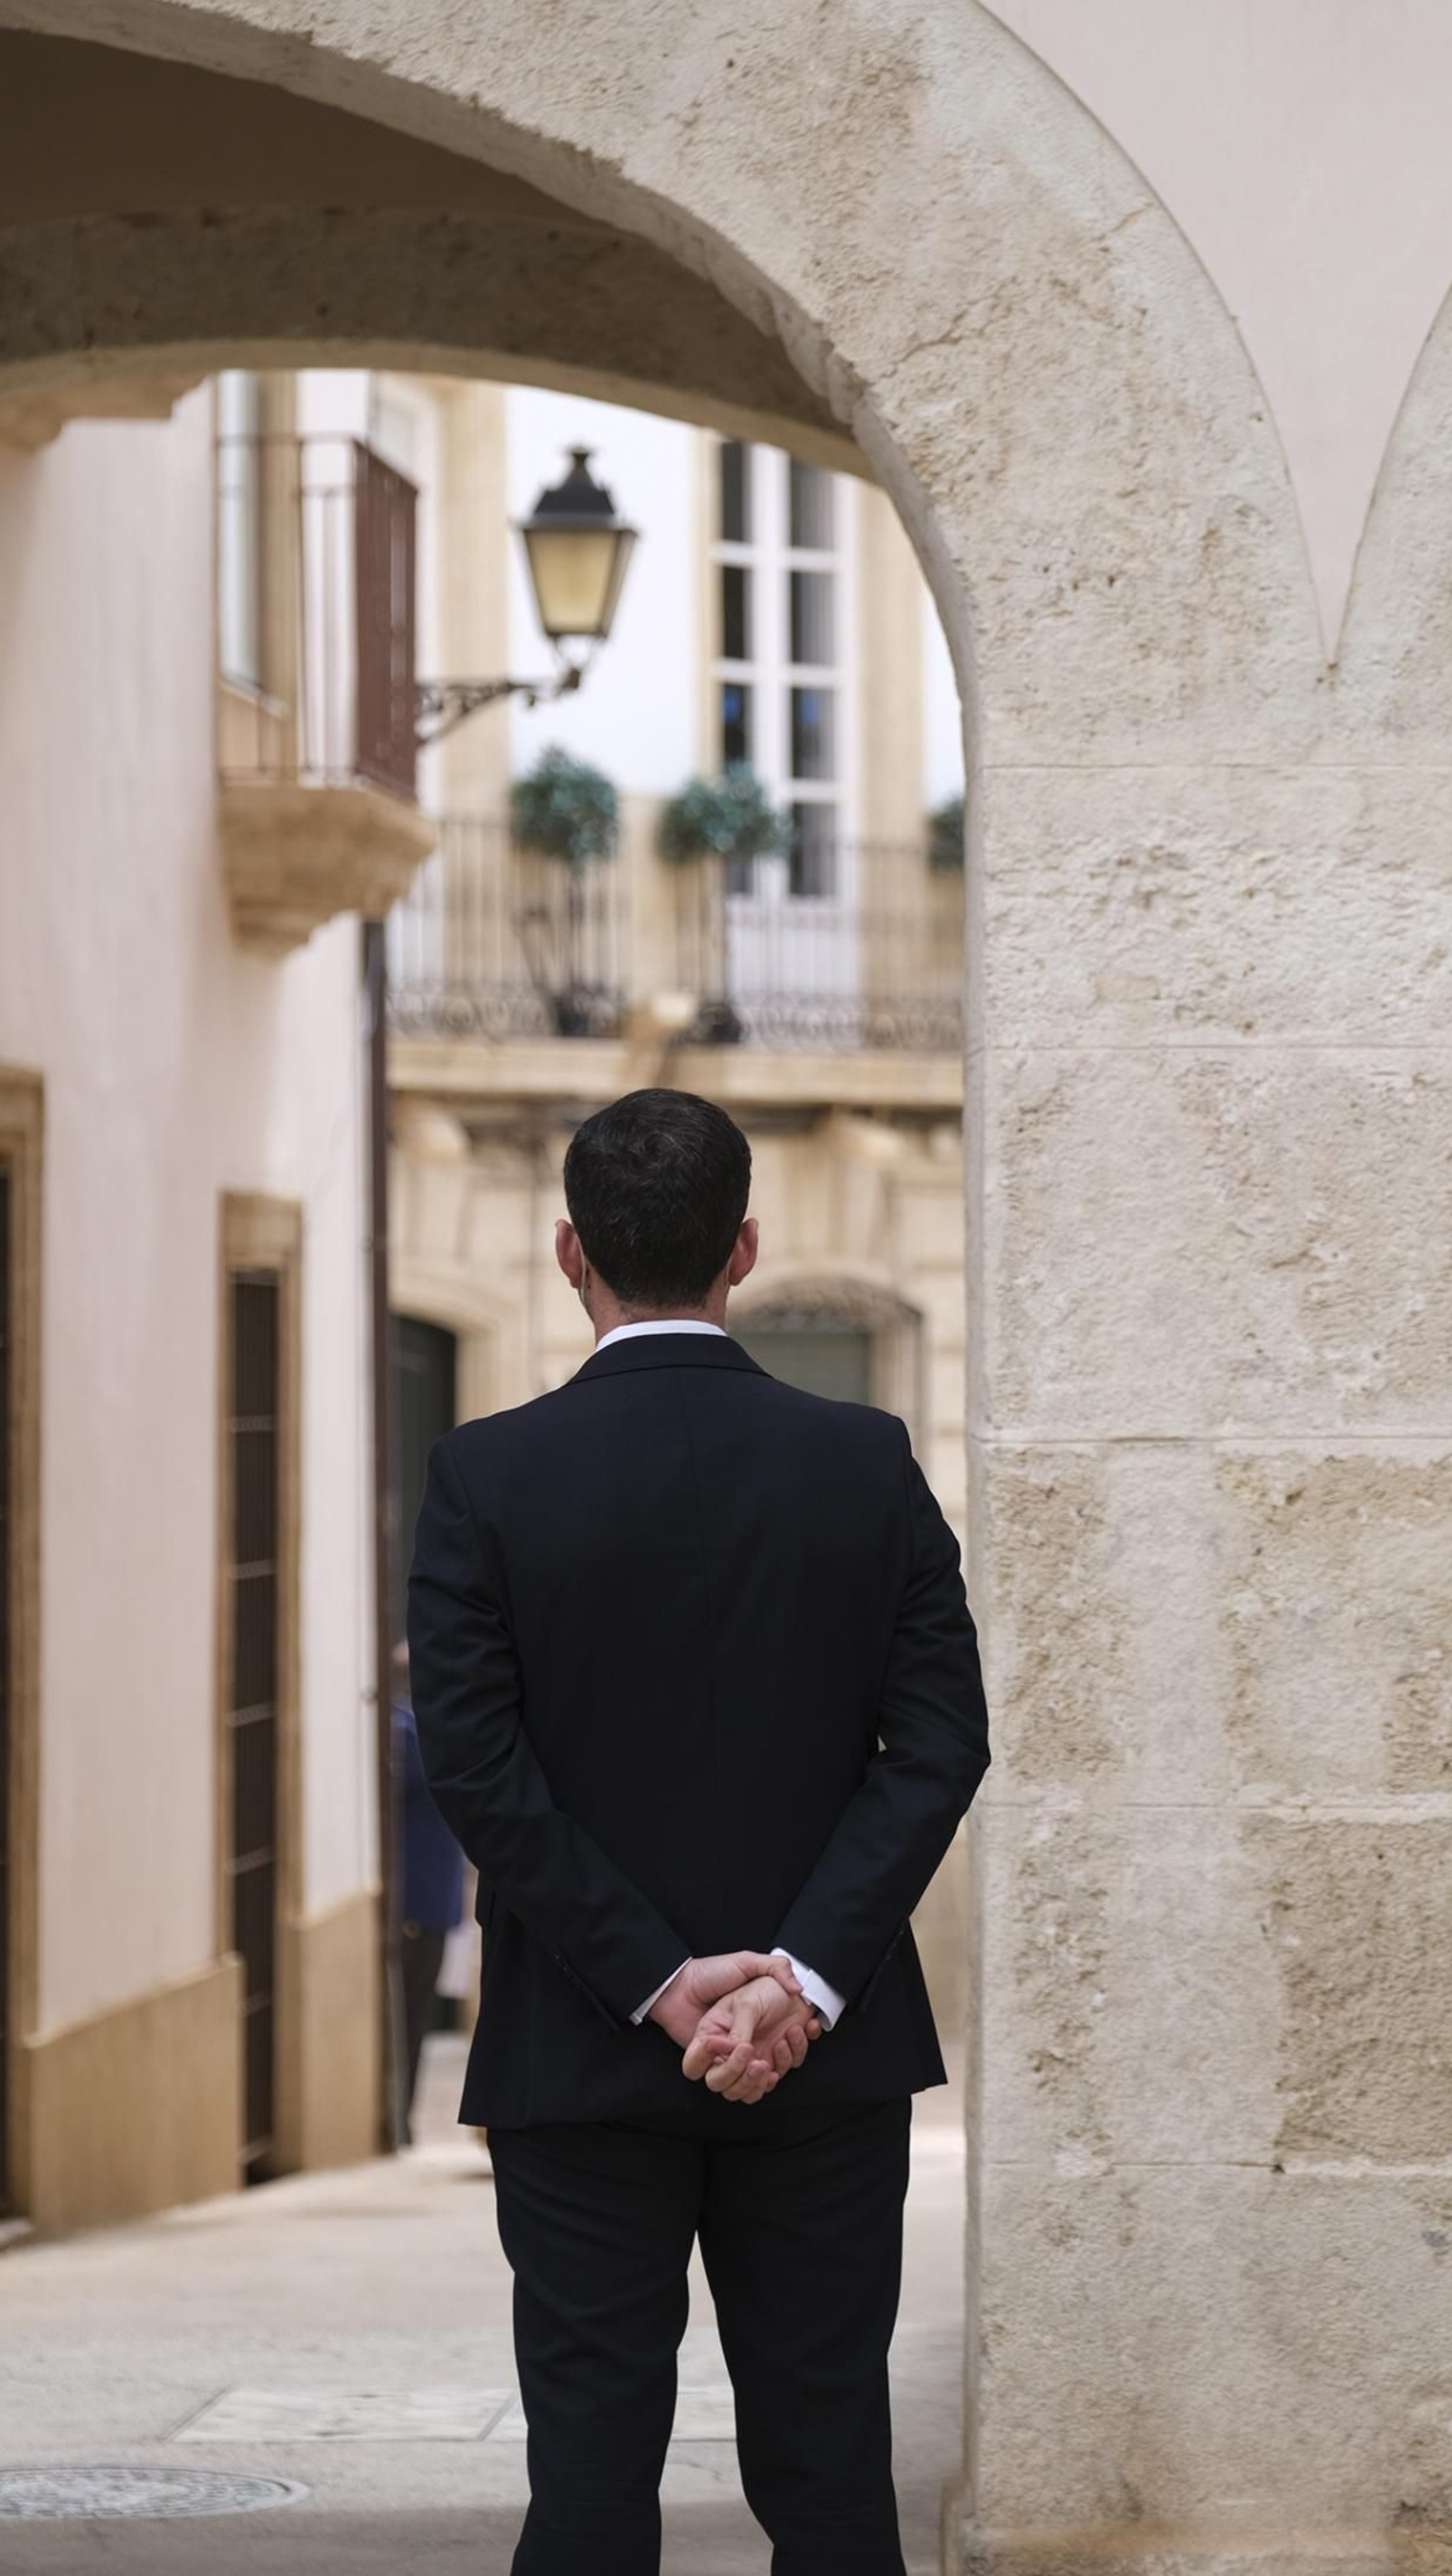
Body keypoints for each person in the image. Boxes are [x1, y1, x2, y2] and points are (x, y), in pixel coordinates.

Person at [408, 1087, 987, 2576]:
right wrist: (794, 1981)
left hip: (582, 2058)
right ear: (744, 1247)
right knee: (833, 2475)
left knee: (590, 2483)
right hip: (827, 2060)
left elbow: (479, 1771)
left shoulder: (487, 1476)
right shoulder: (863, 1460)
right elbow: (938, 1745)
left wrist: (664, 1982)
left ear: (565, 1251)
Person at [391, 1641, 466, 2142]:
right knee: (407, 2015)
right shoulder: (408, 1736)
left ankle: (403, 2115)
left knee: (414, 2015)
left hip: (432, 1904)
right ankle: (398, 2117)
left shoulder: (429, 1733)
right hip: (414, 1905)